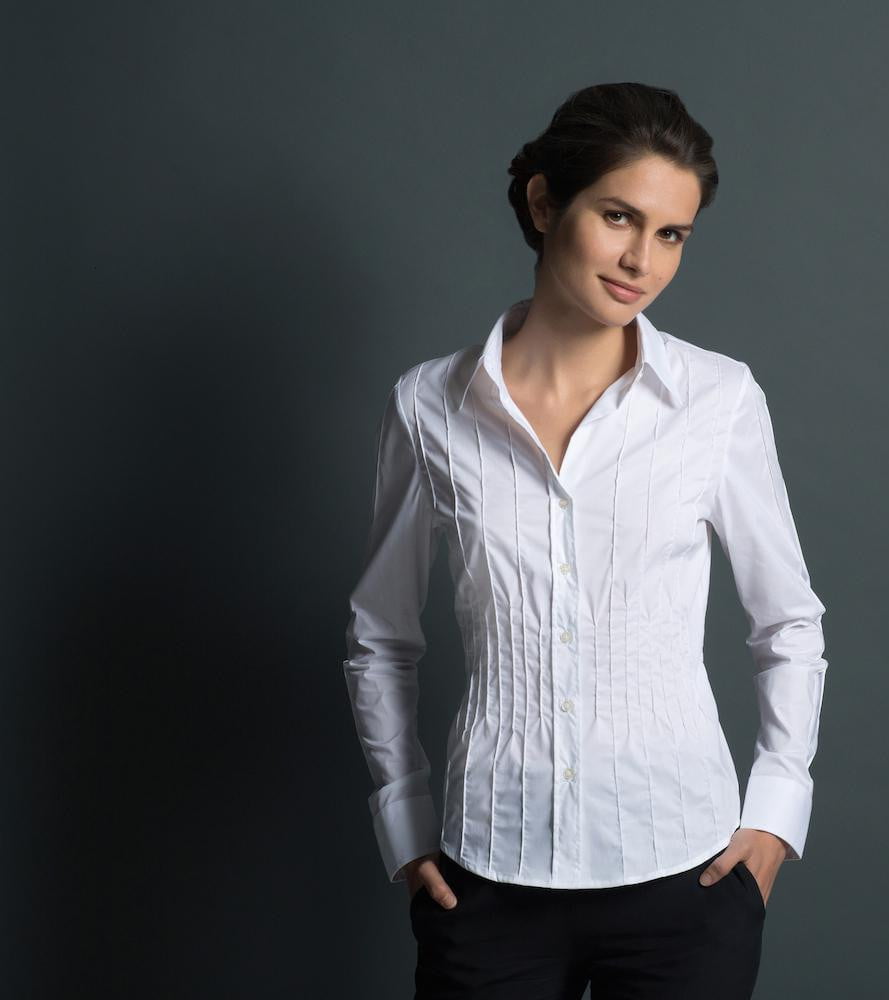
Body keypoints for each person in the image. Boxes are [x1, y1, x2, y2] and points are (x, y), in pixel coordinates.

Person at [342, 81, 829, 999]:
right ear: (543, 203)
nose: (642, 259)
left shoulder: (718, 401)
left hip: (688, 875)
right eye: (618, 216)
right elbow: (380, 636)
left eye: (672, 234)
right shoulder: (428, 407)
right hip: (488, 877)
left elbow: (788, 623)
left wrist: (775, 817)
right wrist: (404, 826)